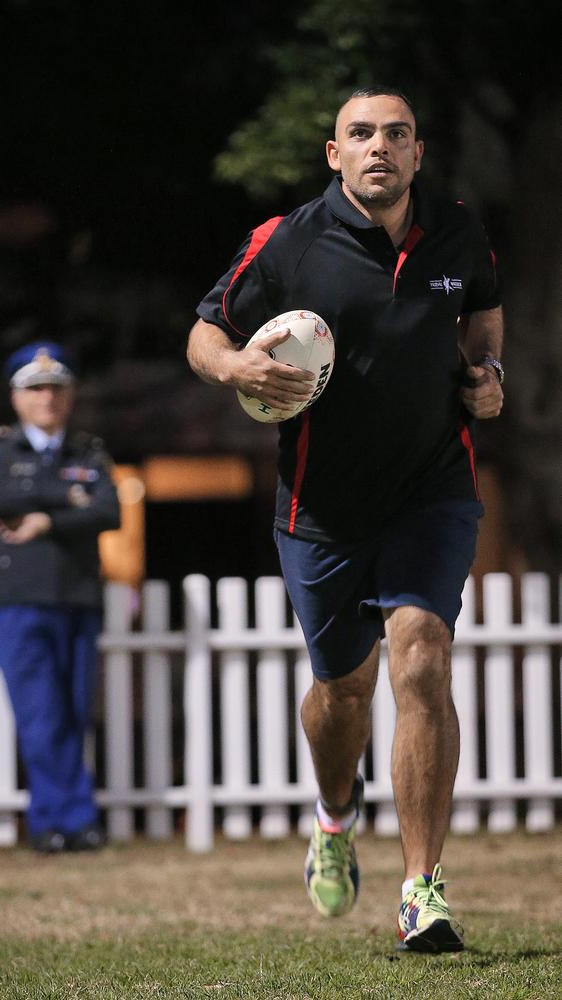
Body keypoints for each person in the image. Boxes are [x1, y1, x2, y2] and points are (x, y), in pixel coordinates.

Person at [187, 87, 504, 952]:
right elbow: (205, 331)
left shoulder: (458, 231)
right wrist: (237, 370)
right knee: (343, 691)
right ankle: (335, 815)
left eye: (396, 135)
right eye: (361, 134)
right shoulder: (288, 240)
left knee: (424, 658)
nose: (380, 148)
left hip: (432, 489)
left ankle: (422, 890)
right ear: (334, 154)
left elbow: (481, 312)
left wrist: (488, 371)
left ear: (417, 151)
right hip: (319, 509)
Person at [0, 342, 121, 853]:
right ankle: (58, 821)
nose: (47, 398)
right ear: (17, 398)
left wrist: (46, 517)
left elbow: (110, 511)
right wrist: (69, 494)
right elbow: (0, 500)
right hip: (19, 600)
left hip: (76, 596)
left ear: (70, 393)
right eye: (35, 388)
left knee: (75, 713)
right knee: (41, 714)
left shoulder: (88, 451)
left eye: (55, 387)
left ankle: (68, 821)